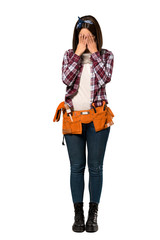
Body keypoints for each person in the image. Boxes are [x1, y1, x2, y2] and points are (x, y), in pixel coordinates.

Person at [62, 15, 114, 232]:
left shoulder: (106, 55)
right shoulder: (68, 55)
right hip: (73, 118)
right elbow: (66, 78)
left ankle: (93, 214)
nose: (85, 39)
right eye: (81, 36)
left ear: (96, 36)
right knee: (76, 168)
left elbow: (105, 77)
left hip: (98, 118)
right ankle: (78, 214)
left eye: (89, 36)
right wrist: (77, 52)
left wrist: (93, 52)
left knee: (95, 168)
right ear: (76, 36)